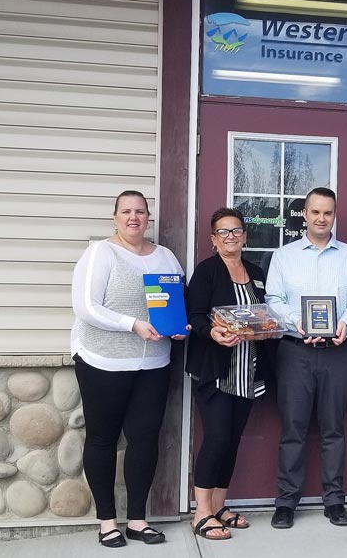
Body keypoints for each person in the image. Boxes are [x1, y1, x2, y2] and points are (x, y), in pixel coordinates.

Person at [71, 190, 187, 548]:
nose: (133, 217)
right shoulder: (100, 253)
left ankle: (137, 518)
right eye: (126, 212)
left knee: (144, 439)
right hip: (103, 361)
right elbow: (86, 306)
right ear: (115, 217)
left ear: (148, 217)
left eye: (140, 211)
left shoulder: (166, 257)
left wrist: (181, 326)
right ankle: (107, 521)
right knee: (103, 439)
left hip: (153, 362)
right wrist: (132, 324)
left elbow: (175, 302)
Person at [265, 187, 347, 529]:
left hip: (338, 351)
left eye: (328, 213)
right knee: (293, 428)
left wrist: (345, 323)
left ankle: (334, 500)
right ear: (305, 215)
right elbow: (273, 299)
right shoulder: (285, 256)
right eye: (315, 212)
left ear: (334, 216)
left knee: (333, 429)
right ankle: (286, 502)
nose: (321, 218)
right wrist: (296, 322)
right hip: (295, 352)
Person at [186, 207, 273, 540]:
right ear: (213, 239)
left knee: (232, 441)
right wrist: (213, 333)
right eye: (223, 232)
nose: (231, 236)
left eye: (236, 231)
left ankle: (220, 506)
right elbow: (195, 315)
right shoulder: (207, 271)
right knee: (217, 438)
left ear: (245, 236)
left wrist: (267, 328)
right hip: (216, 371)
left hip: (248, 371)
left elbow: (264, 314)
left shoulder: (254, 271)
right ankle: (201, 512)